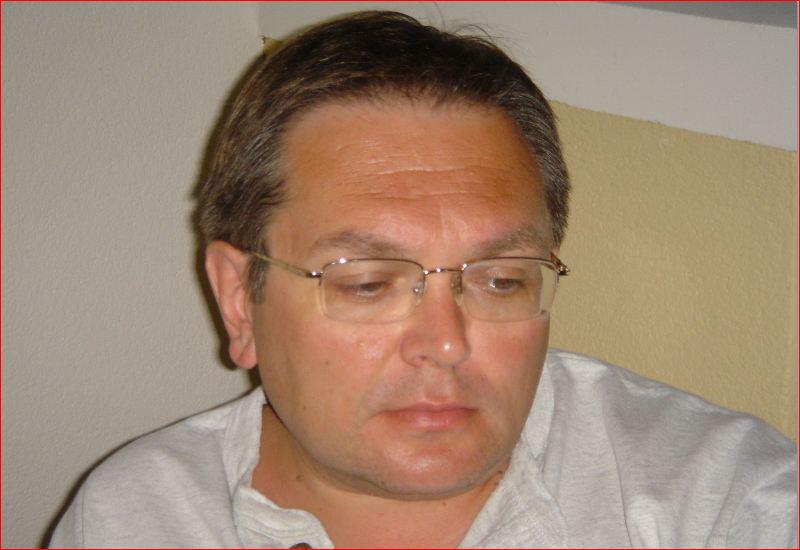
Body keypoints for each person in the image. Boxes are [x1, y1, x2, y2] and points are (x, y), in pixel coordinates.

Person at [50, 11, 796, 548]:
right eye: (367, 282)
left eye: (500, 280)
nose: (445, 343)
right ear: (240, 300)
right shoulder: (137, 517)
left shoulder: (721, 499)